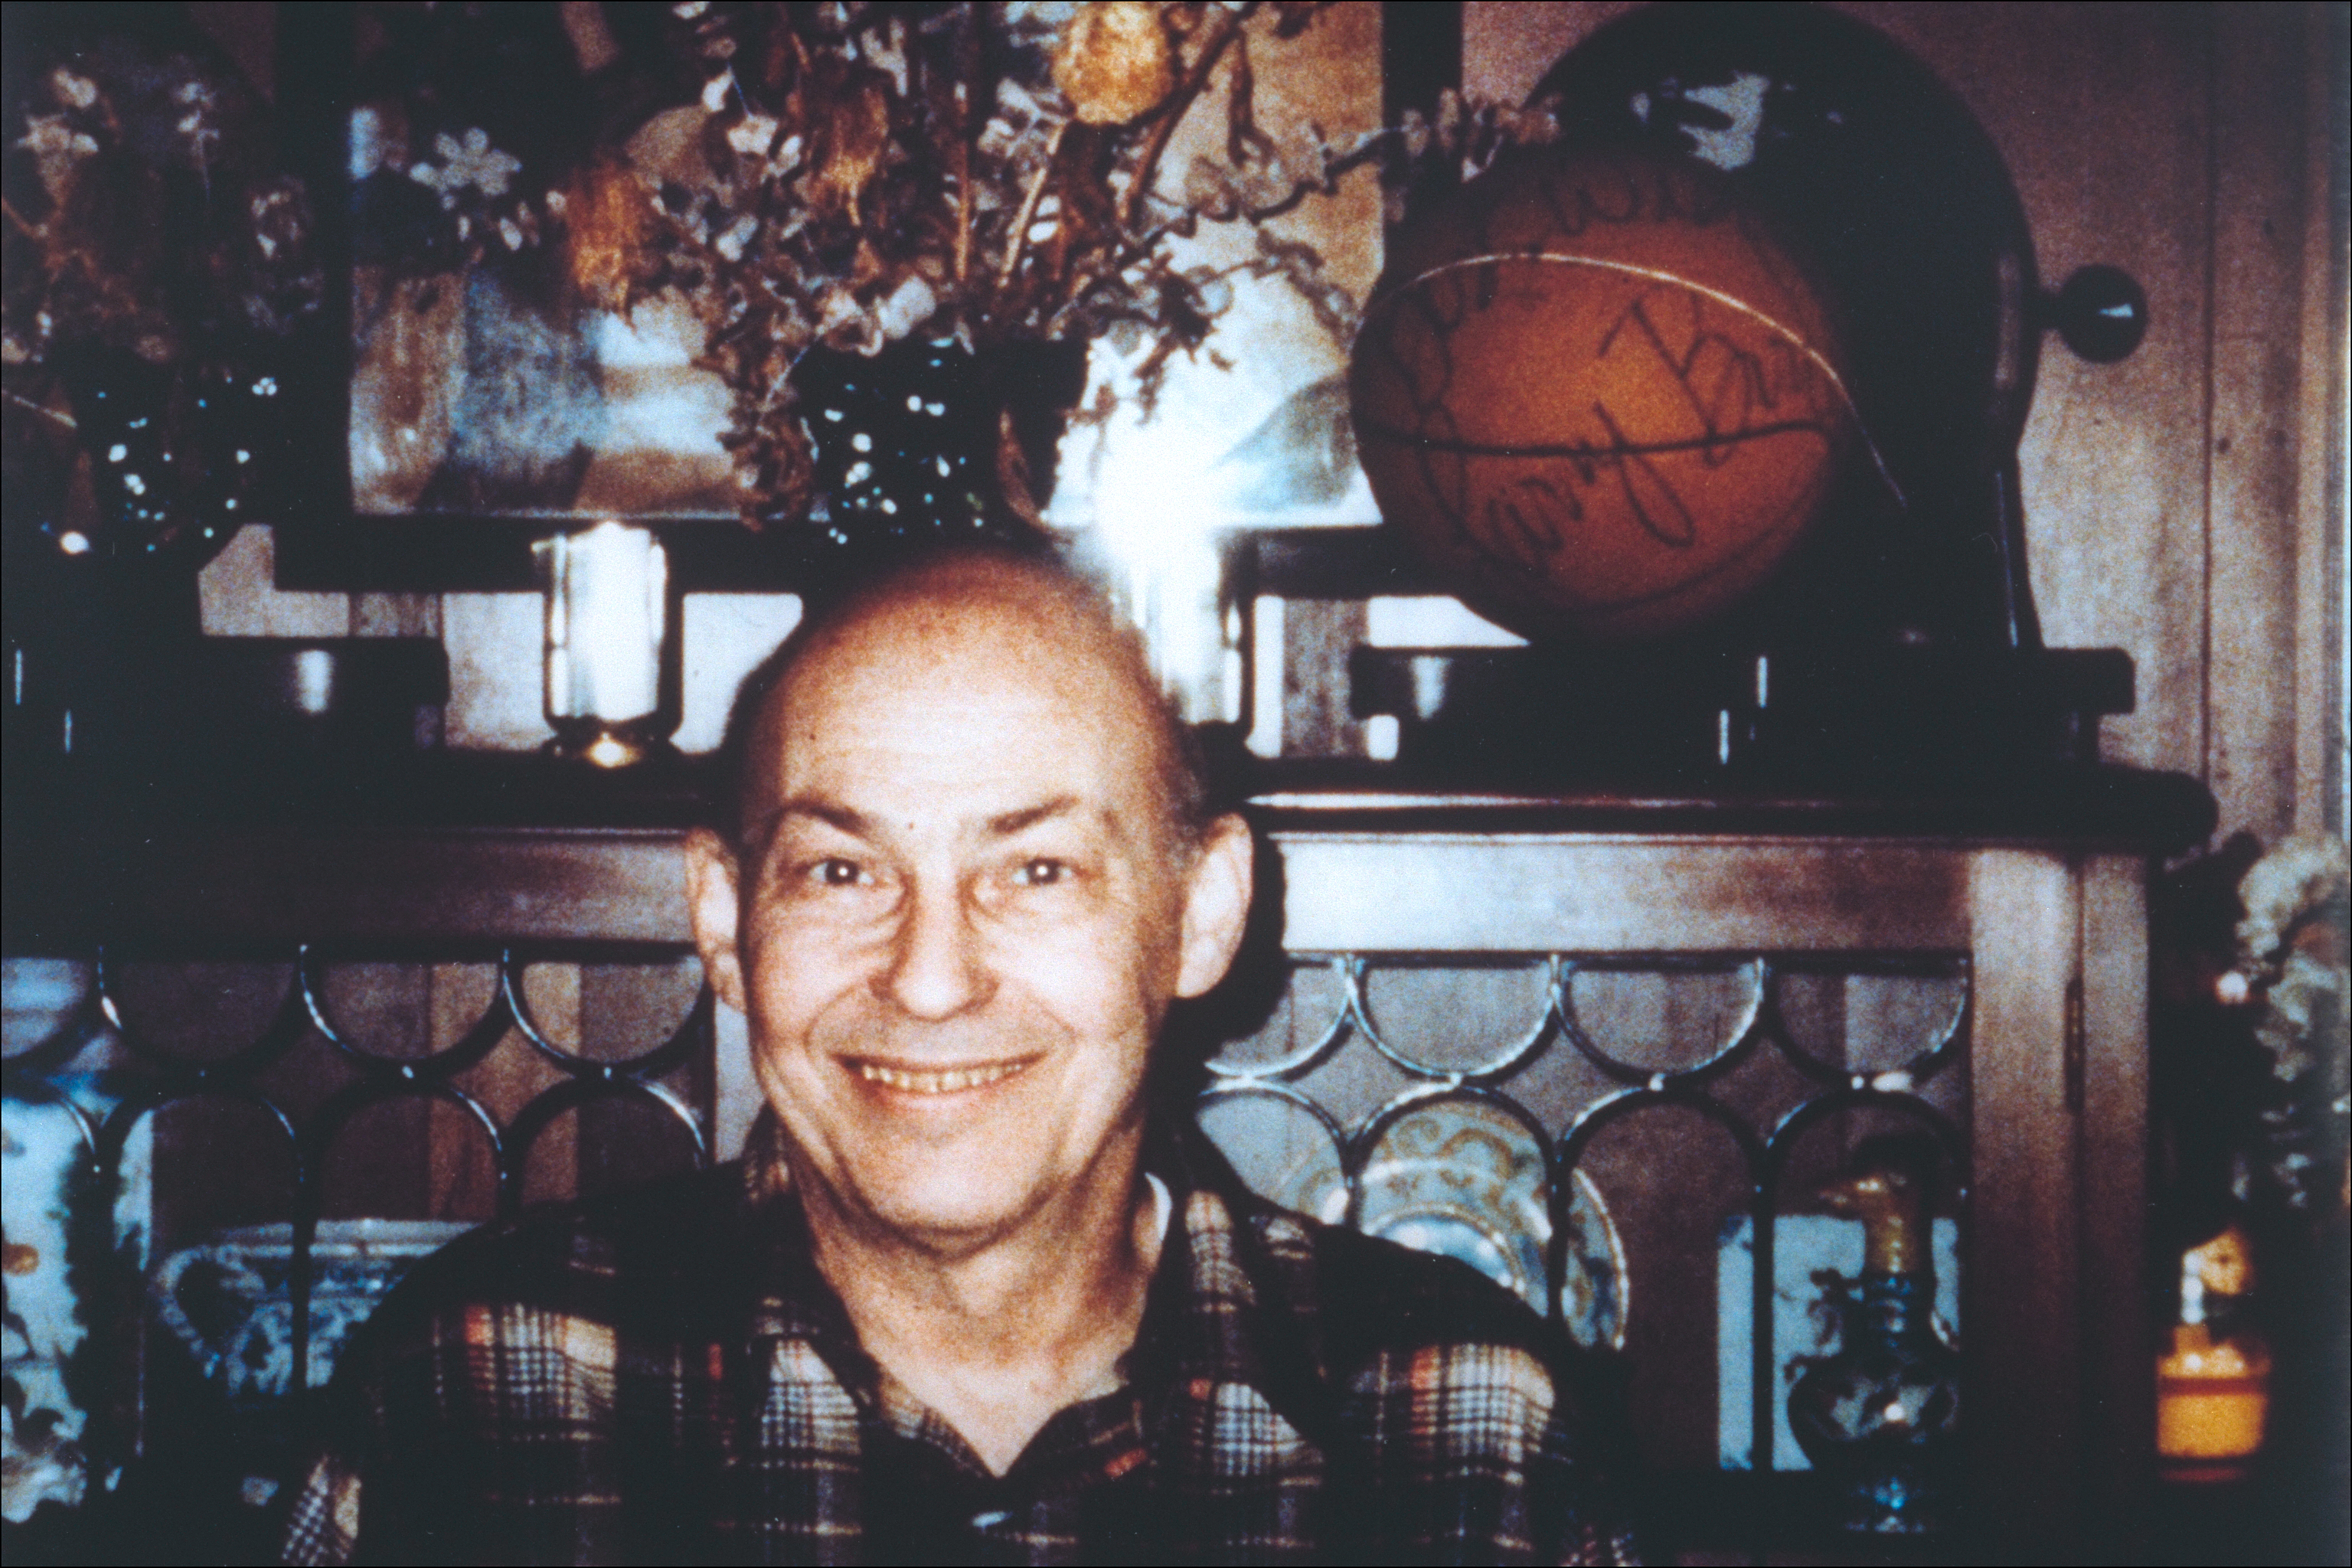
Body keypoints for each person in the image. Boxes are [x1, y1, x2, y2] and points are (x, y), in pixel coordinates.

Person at [281, 545, 1635, 1565]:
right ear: (724, 923)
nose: (929, 981)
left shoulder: (1471, 1427)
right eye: (839, 869)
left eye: (1036, 869)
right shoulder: (477, 1385)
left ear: (1200, 917)